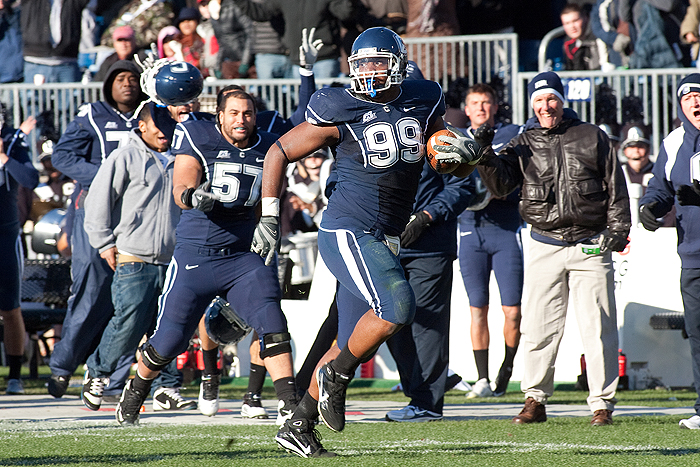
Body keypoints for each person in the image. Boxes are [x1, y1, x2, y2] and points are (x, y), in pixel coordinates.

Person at [252, 27, 483, 457]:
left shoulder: (423, 95)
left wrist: (459, 158)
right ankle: (335, 379)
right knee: (398, 307)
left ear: (397, 63)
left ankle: (299, 425)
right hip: (348, 228)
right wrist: (268, 214)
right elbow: (278, 152)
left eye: (378, 62)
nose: (370, 72)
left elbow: (438, 150)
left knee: (349, 340)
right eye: (362, 64)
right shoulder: (339, 105)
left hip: (387, 234)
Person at [114, 86, 300, 427]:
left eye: (247, 113)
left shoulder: (269, 147)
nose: (241, 120)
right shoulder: (198, 135)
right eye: (233, 113)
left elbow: (271, 196)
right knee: (169, 341)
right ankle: (136, 390)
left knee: (273, 324)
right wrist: (193, 195)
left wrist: (266, 223)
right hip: (196, 257)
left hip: (241, 258)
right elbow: (181, 185)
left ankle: (291, 405)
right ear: (220, 115)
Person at [477, 71, 631, 427]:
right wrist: (484, 153)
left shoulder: (593, 135)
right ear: (532, 105)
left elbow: (615, 187)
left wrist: (619, 231)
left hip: (591, 243)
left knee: (598, 328)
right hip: (544, 243)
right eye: (539, 101)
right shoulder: (521, 142)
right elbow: (500, 186)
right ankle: (534, 399)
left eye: (551, 99)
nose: (546, 107)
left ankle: (602, 405)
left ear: (563, 101)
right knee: (538, 327)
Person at [81, 102, 197, 413]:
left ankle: (165, 387)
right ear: (141, 126)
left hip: (173, 258)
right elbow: (97, 202)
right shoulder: (124, 155)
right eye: (156, 125)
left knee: (170, 326)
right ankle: (98, 371)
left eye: (167, 125)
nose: (163, 132)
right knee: (128, 323)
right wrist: (104, 242)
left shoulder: (182, 158)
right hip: (134, 254)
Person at [48, 61, 147, 400]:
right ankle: (62, 366)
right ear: (108, 84)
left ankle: (109, 377)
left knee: (128, 297)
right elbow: (62, 156)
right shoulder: (92, 113)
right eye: (120, 78)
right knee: (89, 289)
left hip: (137, 217)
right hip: (96, 211)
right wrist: (105, 174)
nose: (128, 84)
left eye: (134, 79)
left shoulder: (151, 116)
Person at [384, 129, 474, 422]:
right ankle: (418, 394)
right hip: (384, 246)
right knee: (390, 323)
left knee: (427, 327)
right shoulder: (376, 132)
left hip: (429, 249)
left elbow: (462, 185)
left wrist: (426, 217)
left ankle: (427, 403)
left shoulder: (441, 136)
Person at [638, 73, 700, 430]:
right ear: (680, 105)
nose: (695, 101)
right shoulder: (674, 141)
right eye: (687, 97)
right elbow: (660, 186)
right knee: (698, 333)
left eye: (699, 95)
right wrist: (650, 206)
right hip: (693, 255)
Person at [457, 83, 523, 399]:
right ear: (466, 109)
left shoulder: (509, 135)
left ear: (495, 107)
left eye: (486, 102)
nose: (481, 107)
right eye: (475, 103)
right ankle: (482, 378)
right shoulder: (454, 138)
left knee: (512, 310)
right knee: (477, 308)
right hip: (471, 229)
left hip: (506, 229)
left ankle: (506, 368)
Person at [1, 116, 40, 395]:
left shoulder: (13, 142)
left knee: (10, 308)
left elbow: (30, 178)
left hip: (5, 235)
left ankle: (15, 375)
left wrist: (4, 157)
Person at [231, 0, 355, 78]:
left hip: (325, 58)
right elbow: (261, 13)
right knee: (301, 105)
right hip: (298, 60)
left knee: (326, 105)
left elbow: (345, 13)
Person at [21, 0, 88, 83]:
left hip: (67, 64)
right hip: (35, 62)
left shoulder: (73, 2)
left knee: (71, 96)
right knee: (34, 96)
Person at [560, 3, 602, 71]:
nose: (572, 27)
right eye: (567, 23)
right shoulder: (568, 43)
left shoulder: (597, 37)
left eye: (575, 21)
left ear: (585, 18)